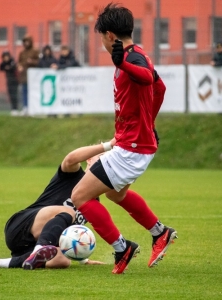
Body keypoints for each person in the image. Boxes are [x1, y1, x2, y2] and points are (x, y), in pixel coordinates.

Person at [69, 3, 177, 275]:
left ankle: (121, 248)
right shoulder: (138, 54)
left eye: (100, 38)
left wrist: (123, 64)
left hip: (131, 149)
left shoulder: (132, 59)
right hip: (135, 144)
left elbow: (145, 78)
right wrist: (148, 123)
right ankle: (160, 232)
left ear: (108, 36)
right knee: (117, 194)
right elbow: (159, 87)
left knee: (80, 196)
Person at [0, 142, 111, 270]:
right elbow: (70, 159)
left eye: (107, 164)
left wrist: (83, 259)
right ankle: (39, 249)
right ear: (89, 159)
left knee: (62, 261)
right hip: (21, 226)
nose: (102, 167)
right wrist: (107, 145)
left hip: (32, 244)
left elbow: (69, 234)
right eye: (101, 160)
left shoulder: (94, 201)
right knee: (68, 212)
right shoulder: (72, 174)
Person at [17, 35, 39, 115]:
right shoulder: (22, 52)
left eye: (28, 41)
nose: (26, 43)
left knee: (32, 92)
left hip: (33, 76)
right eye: (25, 42)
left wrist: (32, 62)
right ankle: (25, 107)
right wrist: (19, 66)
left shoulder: (35, 51)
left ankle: (32, 107)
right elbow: (19, 62)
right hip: (24, 75)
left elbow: (39, 62)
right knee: (24, 91)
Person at [0, 51, 19, 116]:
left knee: (14, 95)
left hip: (14, 81)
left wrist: (9, 68)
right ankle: (13, 109)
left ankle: (15, 108)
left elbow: (13, 67)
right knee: (10, 95)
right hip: (9, 81)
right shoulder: (4, 63)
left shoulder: (12, 62)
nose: (6, 58)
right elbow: (1, 67)